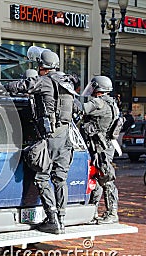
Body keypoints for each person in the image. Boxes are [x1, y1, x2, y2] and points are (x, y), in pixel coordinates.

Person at [25, 50, 78, 234]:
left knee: (42, 177)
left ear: (42, 67)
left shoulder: (46, 81)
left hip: (51, 137)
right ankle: (62, 220)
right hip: (67, 136)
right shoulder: (68, 82)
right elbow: (78, 108)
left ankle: (52, 219)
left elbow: (24, 86)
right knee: (60, 179)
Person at [81, 76, 120, 224]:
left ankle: (111, 214)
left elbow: (80, 109)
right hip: (103, 146)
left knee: (107, 179)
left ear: (98, 89)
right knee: (97, 179)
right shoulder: (111, 103)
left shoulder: (99, 102)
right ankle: (92, 211)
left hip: (101, 148)